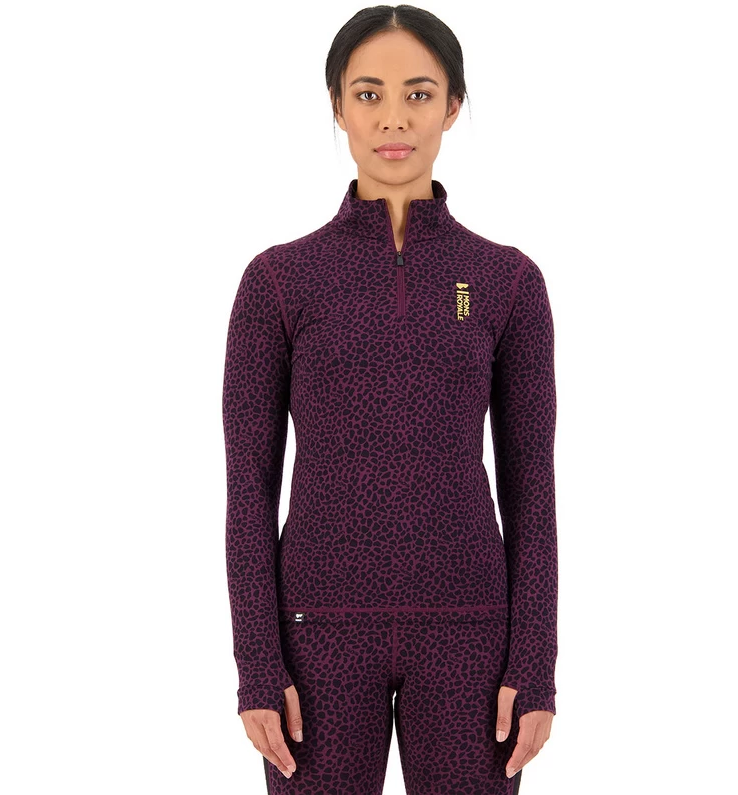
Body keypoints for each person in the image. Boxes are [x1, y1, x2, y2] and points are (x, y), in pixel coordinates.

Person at [222, 6, 558, 794]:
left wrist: (535, 663)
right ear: (337, 107)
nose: (393, 119)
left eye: (418, 94)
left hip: (471, 636)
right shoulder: (278, 281)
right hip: (316, 636)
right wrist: (257, 667)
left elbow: (532, 488)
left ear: (452, 106)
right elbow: (247, 490)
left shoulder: (505, 280)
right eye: (368, 94)